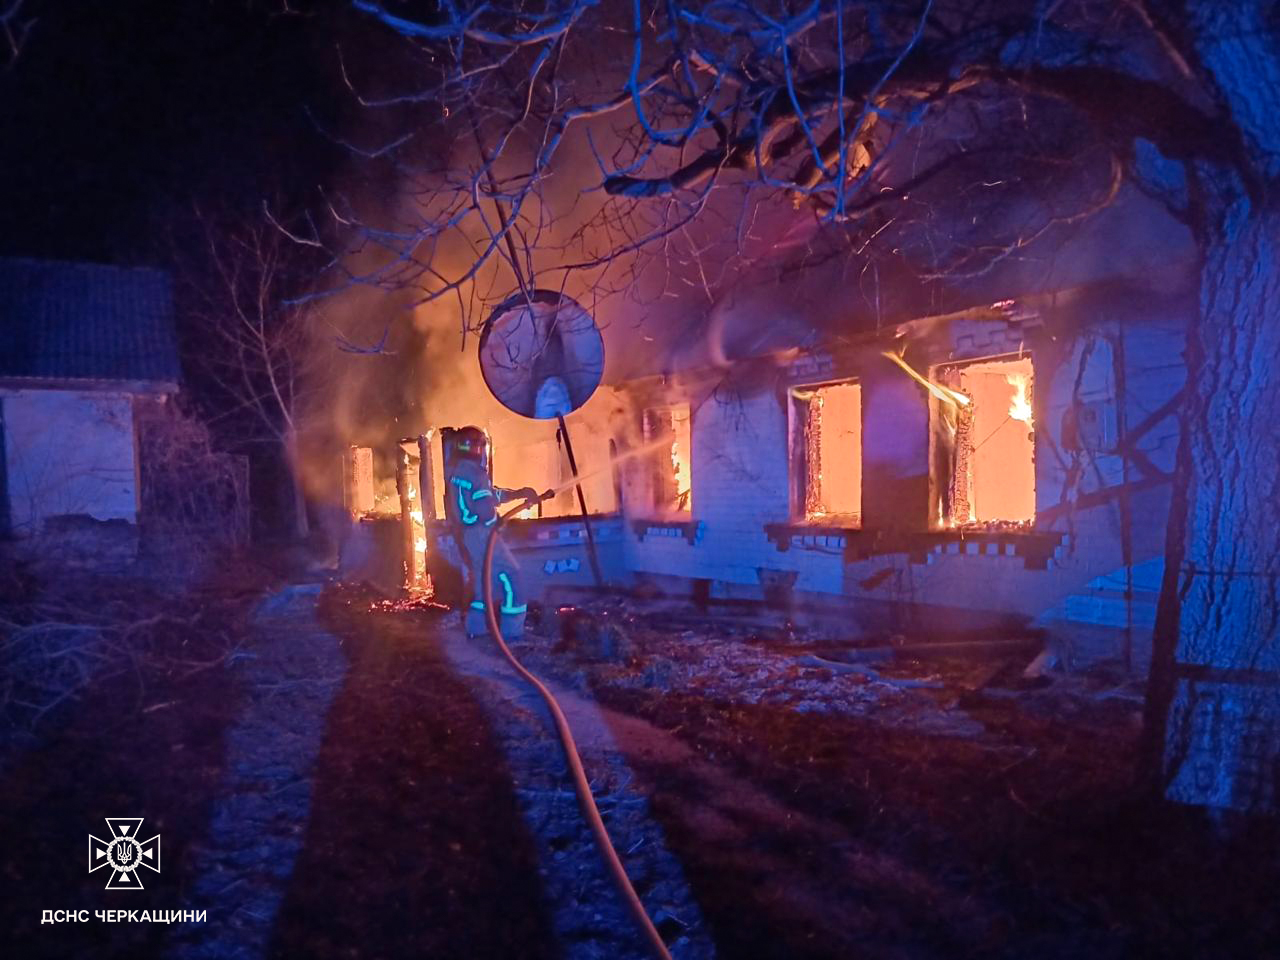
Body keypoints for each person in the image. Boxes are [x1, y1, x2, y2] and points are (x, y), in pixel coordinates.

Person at [442, 426, 547, 639]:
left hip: (469, 535)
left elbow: (490, 495)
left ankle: (476, 630)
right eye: (479, 444)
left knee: (483, 584)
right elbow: (484, 507)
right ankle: (512, 634)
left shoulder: (459, 471)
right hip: (482, 534)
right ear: (478, 447)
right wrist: (496, 522)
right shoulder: (475, 472)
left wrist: (519, 493)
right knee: (513, 577)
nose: (481, 449)